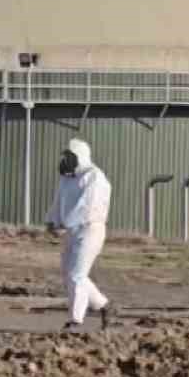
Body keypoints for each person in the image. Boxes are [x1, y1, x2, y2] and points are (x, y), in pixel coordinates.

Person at [46, 138, 115, 330]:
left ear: (81, 156)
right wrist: (52, 220)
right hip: (72, 230)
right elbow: (58, 201)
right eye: (65, 156)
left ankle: (75, 320)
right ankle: (105, 306)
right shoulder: (67, 178)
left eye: (70, 156)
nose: (66, 160)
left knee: (77, 274)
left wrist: (64, 223)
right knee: (70, 274)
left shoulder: (94, 176)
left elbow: (87, 206)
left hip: (90, 229)